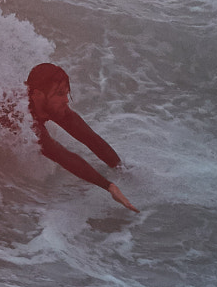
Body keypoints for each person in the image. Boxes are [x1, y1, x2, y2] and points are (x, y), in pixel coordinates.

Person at [26, 62, 139, 213]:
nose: (66, 100)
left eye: (66, 93)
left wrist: (122, 170)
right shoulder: (22, 117)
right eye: (60, 94)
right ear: (37, 95)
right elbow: (60, 154)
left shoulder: (55, 108)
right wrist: (108, 186)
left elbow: (90, 138)